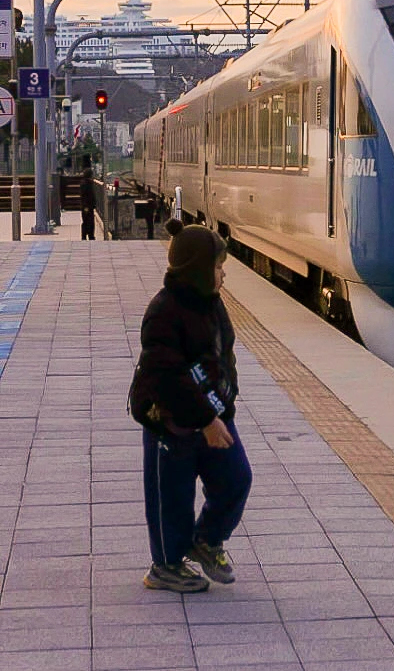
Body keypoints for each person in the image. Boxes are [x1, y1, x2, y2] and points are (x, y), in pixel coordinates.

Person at [128, 220, 252, 593]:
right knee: (172, 497)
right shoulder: (163, 311)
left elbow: (223, 356)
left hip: (213, 413)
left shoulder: (212, 304)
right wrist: (207, 420)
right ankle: (166, 565)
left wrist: (225, 404)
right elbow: (167, 376)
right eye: (218, 266)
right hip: (170, 422)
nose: (223, 274)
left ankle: (207, 539)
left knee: (236, 478)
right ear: (197, 268)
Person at [80, 167, 96, 240]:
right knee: (89, 221)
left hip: (86, 206)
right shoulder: (88, 183)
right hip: (87, 206)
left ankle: (84, 236)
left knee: (86, 221)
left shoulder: (84, 183)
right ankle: (90, 236)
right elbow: (89, 195)